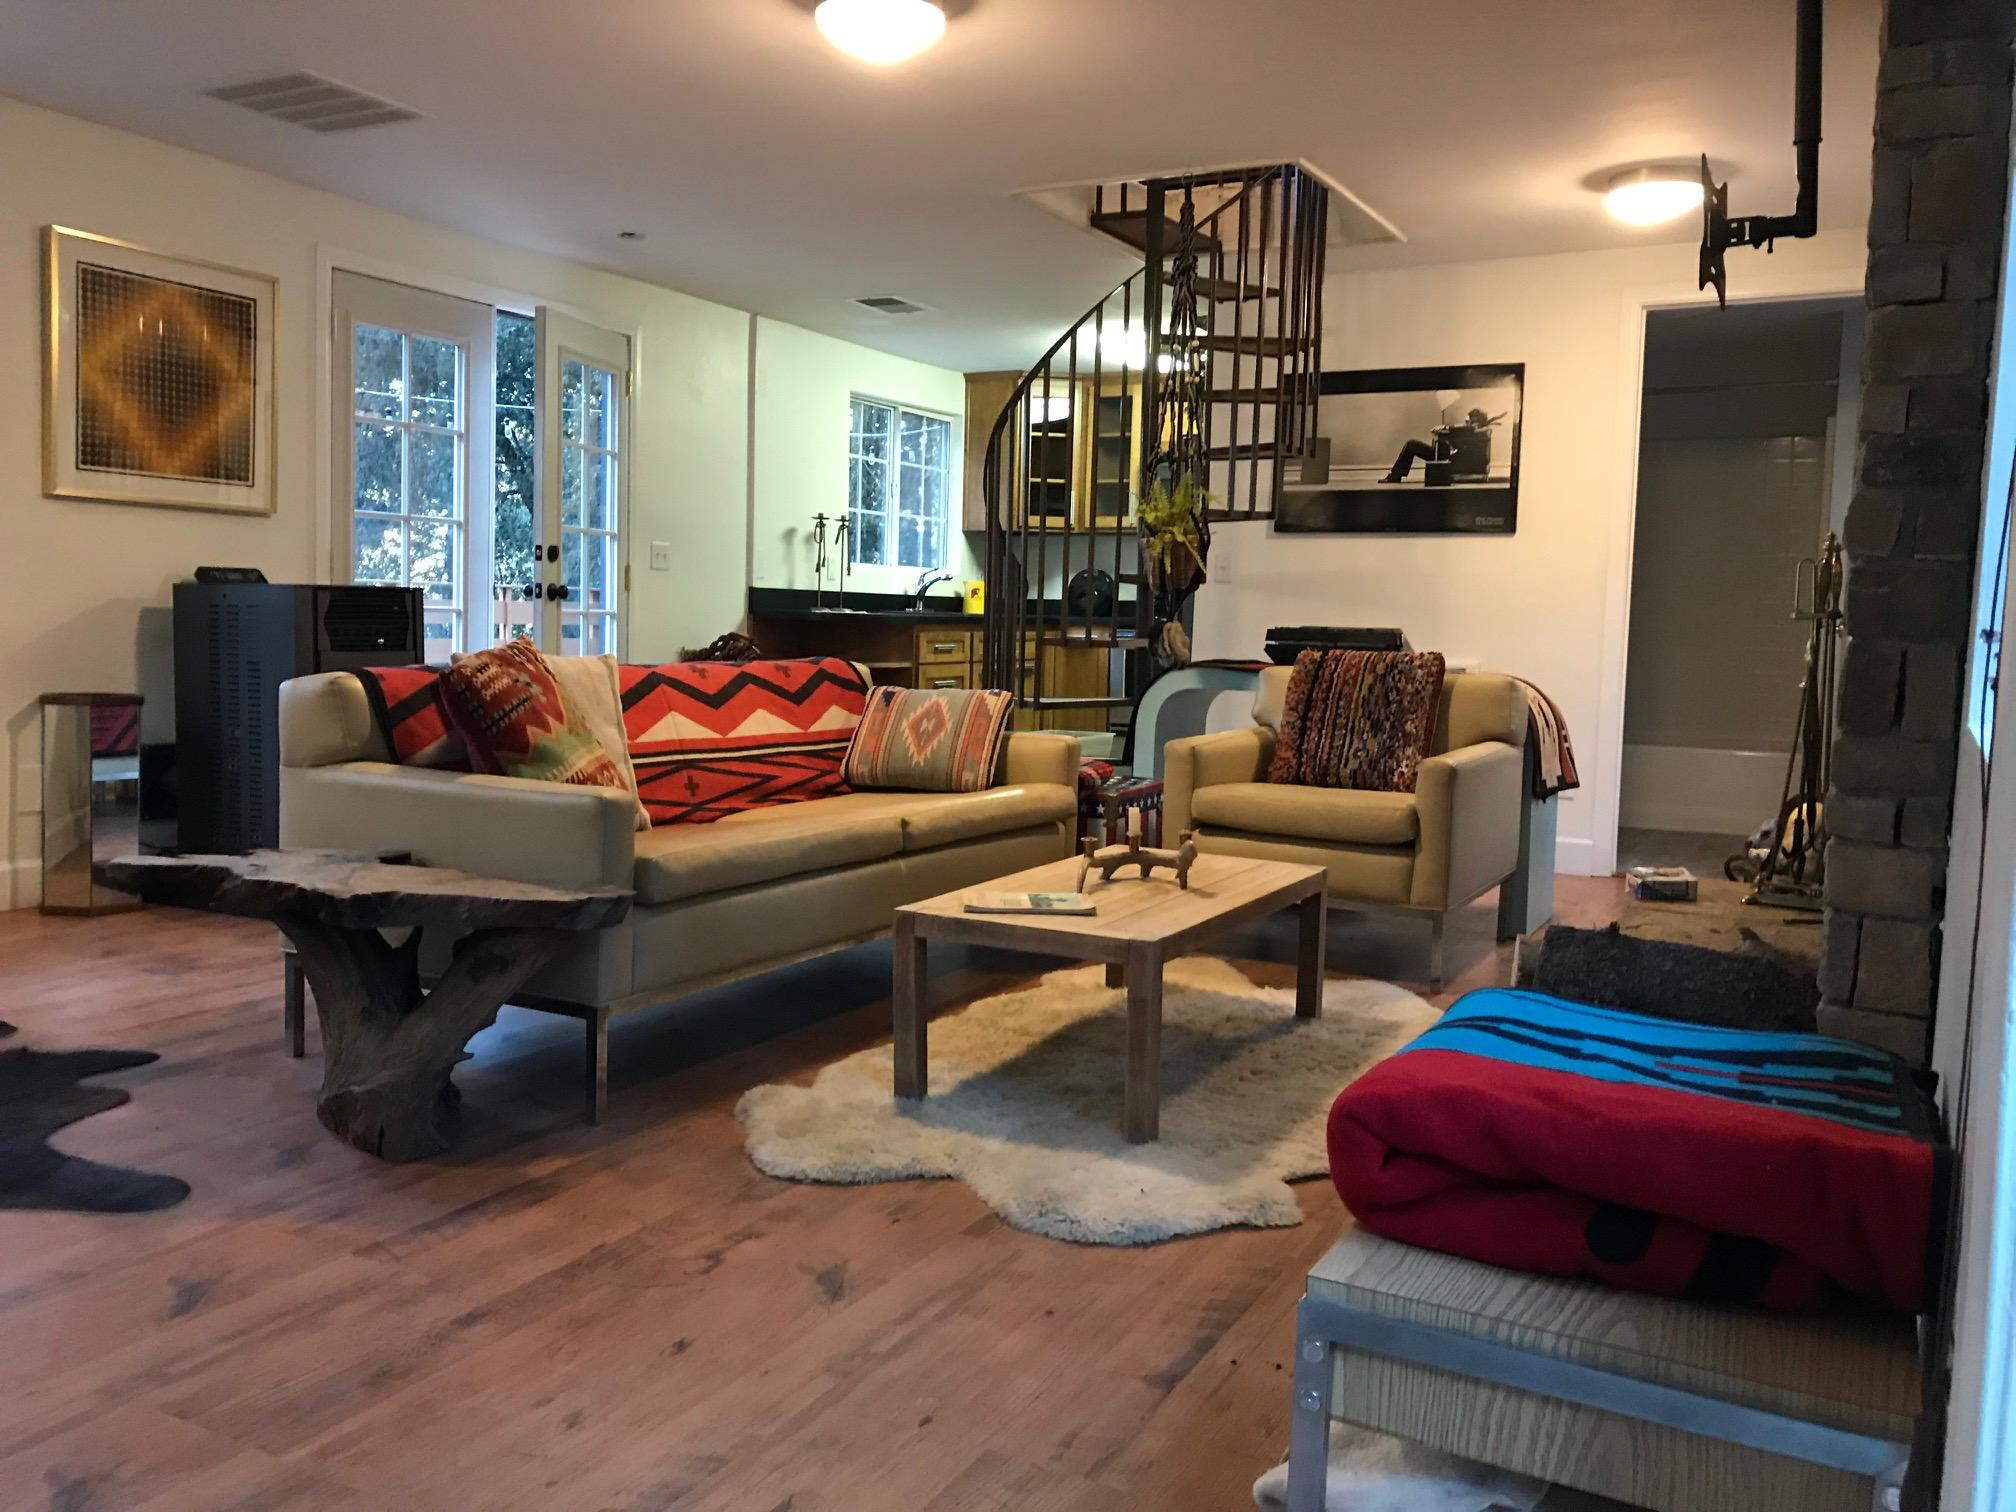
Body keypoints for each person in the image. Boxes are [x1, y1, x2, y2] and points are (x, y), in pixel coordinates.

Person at [1381, 407, 1499, 484]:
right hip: (1449, 457)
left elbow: (1468, 428)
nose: (1465, 423)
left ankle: (1395, 475)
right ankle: (1395, 475)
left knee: (1412, 444)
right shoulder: (1474, 431)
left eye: (1467, 421)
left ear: (1475, 421)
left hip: (1450, 460)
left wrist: (1446, 428)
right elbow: (1464, 430)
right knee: (1412, 444)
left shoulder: (1474, 430)